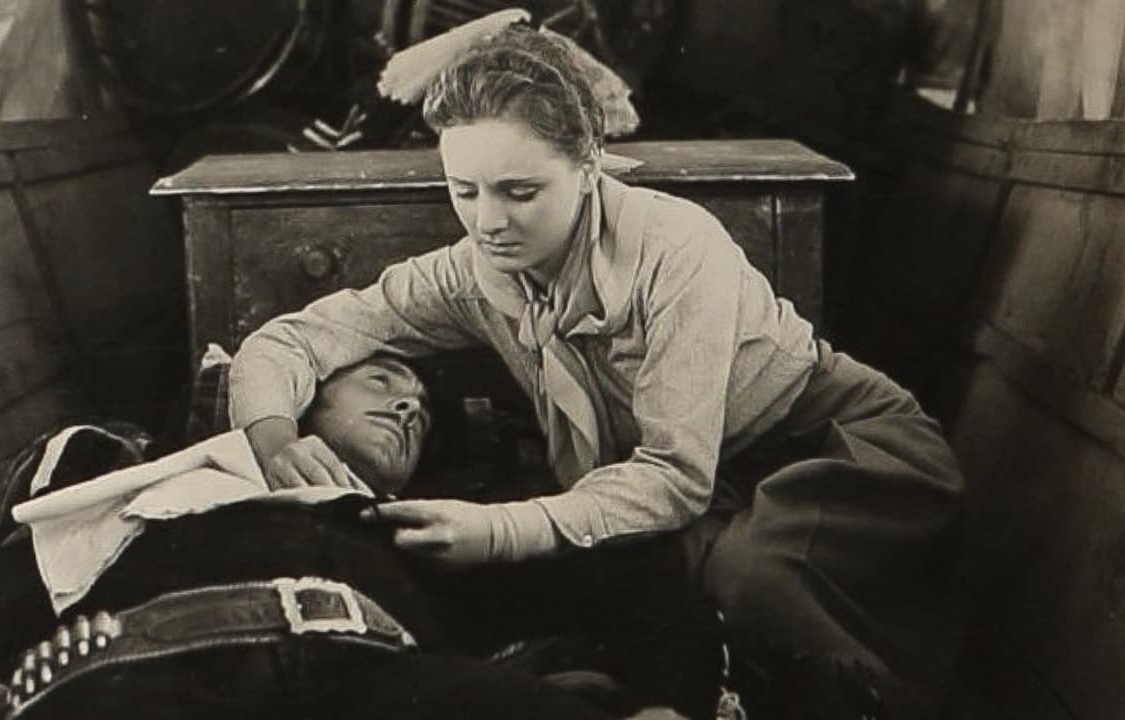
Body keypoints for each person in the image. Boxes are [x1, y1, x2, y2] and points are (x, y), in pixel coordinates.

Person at [229, 19, 966, 720]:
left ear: (587, 167)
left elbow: (675, 475)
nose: (488, 222)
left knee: (752, 582)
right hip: (707, 490)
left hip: (827, 451)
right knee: (629, 601)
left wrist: (502, 529)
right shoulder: (470, 272)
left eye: (520, 192)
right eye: (464, 191)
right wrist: (274, 436)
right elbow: (293, 339)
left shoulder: (676, 249)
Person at [0, 355, 712, 720]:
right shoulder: (145, 499)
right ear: (302, 402)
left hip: (373, 688)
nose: (407, 406)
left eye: (419, 412)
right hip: (148, 686)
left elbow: (631, 564)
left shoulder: (420, 532)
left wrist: (671, 701)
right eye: (382, 381)